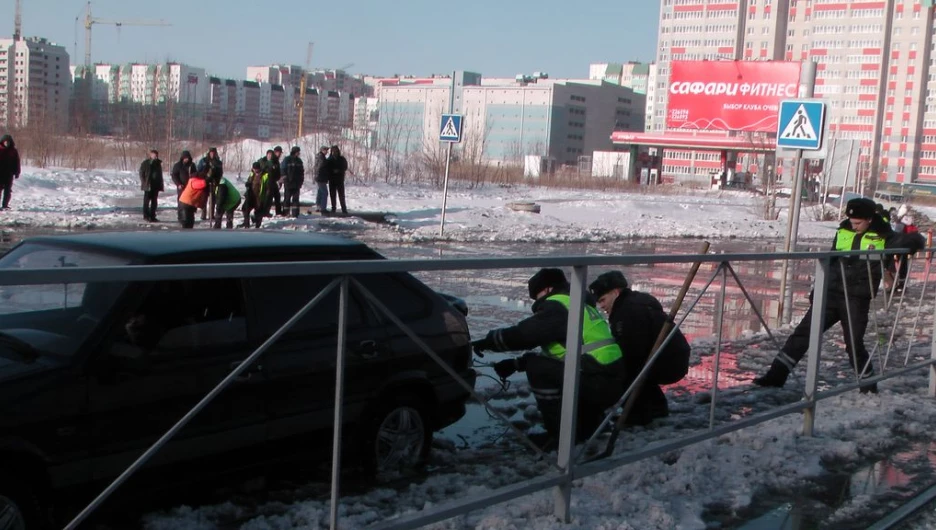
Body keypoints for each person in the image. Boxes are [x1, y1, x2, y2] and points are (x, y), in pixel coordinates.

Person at [753, 198, 925, 393]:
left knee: (853, 344)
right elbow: (830, 262)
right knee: (802, 334)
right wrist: (818, 289)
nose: (854, 226)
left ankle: (868, 386)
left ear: (870, 219)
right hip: (831, 293)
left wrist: (910, 245)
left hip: (856, 299)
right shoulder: (843, 231)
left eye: (858, 223)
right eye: (852, 222)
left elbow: (916, 240)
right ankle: (775, 376)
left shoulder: (884, 235)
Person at [471, 268, 625, 444]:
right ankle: (588, 426)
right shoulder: (577, 303)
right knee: (539, 364)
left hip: (598, 381)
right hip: (607, 377)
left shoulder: (558, 306)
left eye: (537, 295)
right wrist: (516, 364)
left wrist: (489, 341)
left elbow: (525, 335)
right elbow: (560, 350)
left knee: (538, 369)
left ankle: (561, 436)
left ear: (547, 290)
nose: (537, 301)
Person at [588, 271, 691, 426]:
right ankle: (656, 408)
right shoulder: (634, 302)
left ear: (616, 292)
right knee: (634, 369)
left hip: (667, 362)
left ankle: (639, 415)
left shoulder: (628, 312)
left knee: (624, 370)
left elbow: (632, 354)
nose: (601, 306)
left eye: (603, 300)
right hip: (673, 357)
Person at [170, 150, 197, 222]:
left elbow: (196, 174)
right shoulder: (178, 165)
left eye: (187, 158)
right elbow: (174, 175)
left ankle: (190, 216)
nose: (186, 159)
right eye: (185, 158)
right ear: (182, 158)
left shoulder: (192, 165)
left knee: (190, 201)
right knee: (181, 202)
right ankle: (180, 216)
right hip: (181, 186)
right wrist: (178, 184)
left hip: (191, 187)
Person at [138, 149, 164, 222]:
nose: (155, 156)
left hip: (156, 185)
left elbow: (159, 174)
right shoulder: (146, 163)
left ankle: (153, 216)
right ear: (151, 155)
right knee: (146, 201)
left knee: (154, 202)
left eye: (156, 155)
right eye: (154, 155)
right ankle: (146, 216)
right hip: (148, 185)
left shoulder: (158, 163)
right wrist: (144, 182)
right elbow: (141, 173)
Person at [197, 148, 223, 220]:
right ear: (209, 153)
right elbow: (198, 170)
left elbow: (220, 173)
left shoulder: (218, 162)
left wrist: (217, 180)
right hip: (205, 182)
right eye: (211, 153)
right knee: (204, 199)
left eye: (214, 153)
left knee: (212, 200)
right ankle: (203, 215)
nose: (212, 154)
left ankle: (211, 215)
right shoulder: (204, 161)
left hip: (214, 183)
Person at [241, 162, 269, 228]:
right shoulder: (252, 174)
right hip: (250, 196)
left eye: (256, 169)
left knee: (258, 213)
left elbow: (268, 188)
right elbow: (249, 181)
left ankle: (257, 227)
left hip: (259, 197)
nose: (255, 170)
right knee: (245, 209)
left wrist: (266, 198)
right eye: (254, 169)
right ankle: (246, 225)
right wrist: (247, 184)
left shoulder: (265, 175)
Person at [280, 146, 305, 218]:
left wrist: (301, 181)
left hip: (297, 183)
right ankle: (285, 213)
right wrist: (285, 178)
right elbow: (283, 169)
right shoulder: (287, 159)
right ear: (294, 152)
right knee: (287, 199)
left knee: (296, 199)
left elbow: (301, 172)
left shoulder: (299, 161)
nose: (298, 153)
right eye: (298, 152)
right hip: (288, 182)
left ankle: (295, 214)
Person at [0, 134, 20, 210]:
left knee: (7, 191)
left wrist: (17, 172)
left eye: (8, 142)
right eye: (5, 142)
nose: (7, 143)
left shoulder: (13, 151)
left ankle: (5, 205)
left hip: (9, 174)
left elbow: (17, 162)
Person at [328, 145, 349, 215]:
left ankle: (344, 209)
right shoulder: (329, 159)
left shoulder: (342, 159)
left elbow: (345, 167)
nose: (335, 153)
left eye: (336, 151)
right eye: (333, 151)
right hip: (332, 179)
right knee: (332, 195)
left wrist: (339, 170)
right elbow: (326, 169)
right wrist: (331, 171)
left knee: (341, 195)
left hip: (340, 179)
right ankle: (333, 208)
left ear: (338, 151)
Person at [313, 145, 330, 213]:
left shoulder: (319, 157)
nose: (326, 152)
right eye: (325, 150)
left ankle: (318, 206)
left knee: (320, 192)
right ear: (322, 150)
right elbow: (320, 167)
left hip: (319, 177)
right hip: (321, 177)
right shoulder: (321, 157)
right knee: (324, 193)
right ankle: (323, 208)